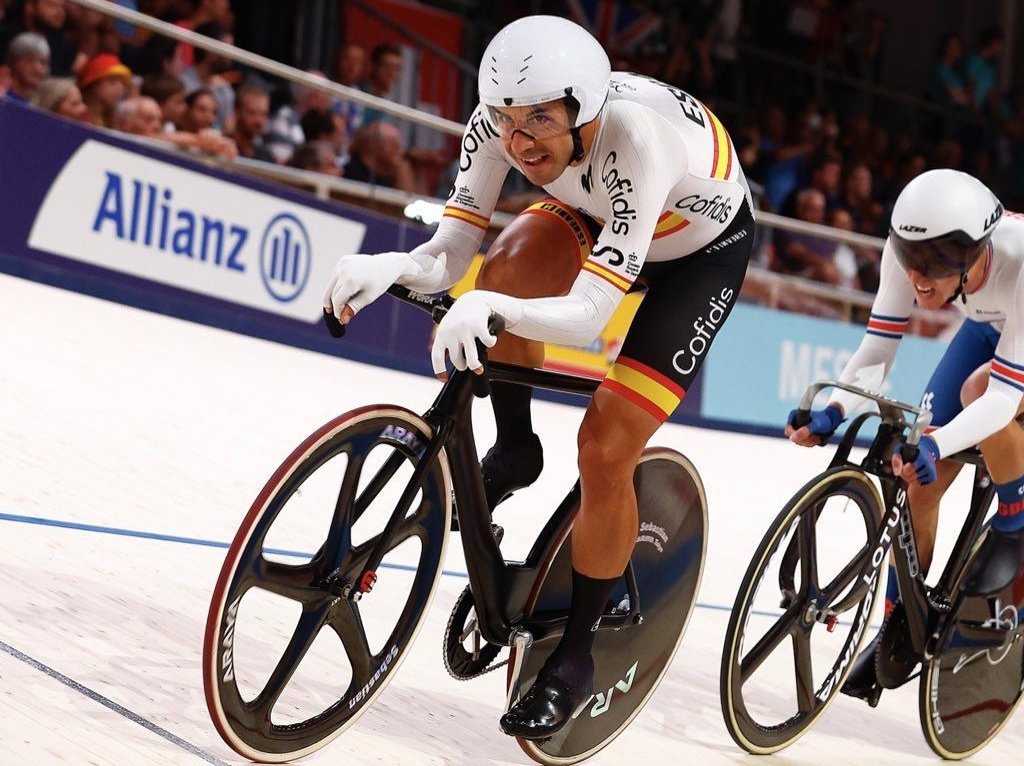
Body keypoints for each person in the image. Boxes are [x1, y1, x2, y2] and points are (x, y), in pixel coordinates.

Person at [323, 15, 753, 739]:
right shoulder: (500, 123)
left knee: (606, 447)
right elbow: (453, 249)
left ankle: (576, 658)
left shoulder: (636, 142)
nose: (521, 142)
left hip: (696, 254)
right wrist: (393, 265)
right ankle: (517, 446)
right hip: (599, 212)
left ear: (585, 112)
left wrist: (490, 309)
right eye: (509, 122)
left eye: (541, 123)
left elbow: (589, 315)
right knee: (509, 263)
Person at [785, 169, 1024, 702]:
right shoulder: (909, 254)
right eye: (911, 257)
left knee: (978, 393)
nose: (918, 276)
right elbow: (877, 350)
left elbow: (1002, 399)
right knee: (918, 481)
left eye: (934, 264)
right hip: (988, 325)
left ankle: (1016, 520)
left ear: (974, 252)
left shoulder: (1019, 258)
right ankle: (896, 627)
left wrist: (937, 443)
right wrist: (835, 410)